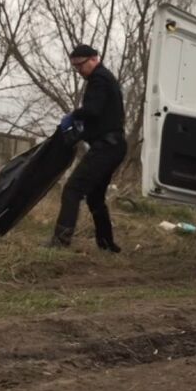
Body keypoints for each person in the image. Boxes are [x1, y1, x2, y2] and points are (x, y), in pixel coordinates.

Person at [49, 44, 126, 252]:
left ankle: (60, 242)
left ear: (94, 59)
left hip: (107, 147)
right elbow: (100, 118)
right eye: (74, 67)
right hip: (114, 146)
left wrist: (74, 116)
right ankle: (107, 245)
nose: (79, 71)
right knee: (95, 197)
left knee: (72, 189)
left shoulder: (98, 79)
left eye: (80, 65)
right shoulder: (105, 78)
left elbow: (93, 110)